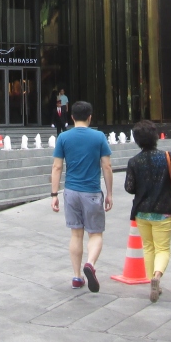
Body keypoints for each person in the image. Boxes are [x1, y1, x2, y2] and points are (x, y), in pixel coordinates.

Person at [51, 100, 113, 290]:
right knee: (95, 233)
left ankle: (77, 276)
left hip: (71, 192)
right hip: (91, 191)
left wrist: (54, 194)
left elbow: (57, 167)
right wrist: (109, 193)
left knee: (76, 234)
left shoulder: (63, 137)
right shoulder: (99, 137)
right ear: (90, 117)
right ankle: (90, 264)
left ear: (72, 117)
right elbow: (107, 166)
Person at [124, 119, 171, 302]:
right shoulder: (166, 156)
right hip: (163, 210)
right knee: (163, 248)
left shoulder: (134, 161)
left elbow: (129, 188)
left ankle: (152, 281)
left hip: (141, 212)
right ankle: (157, 276)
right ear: (155, 136)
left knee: (148, 247)